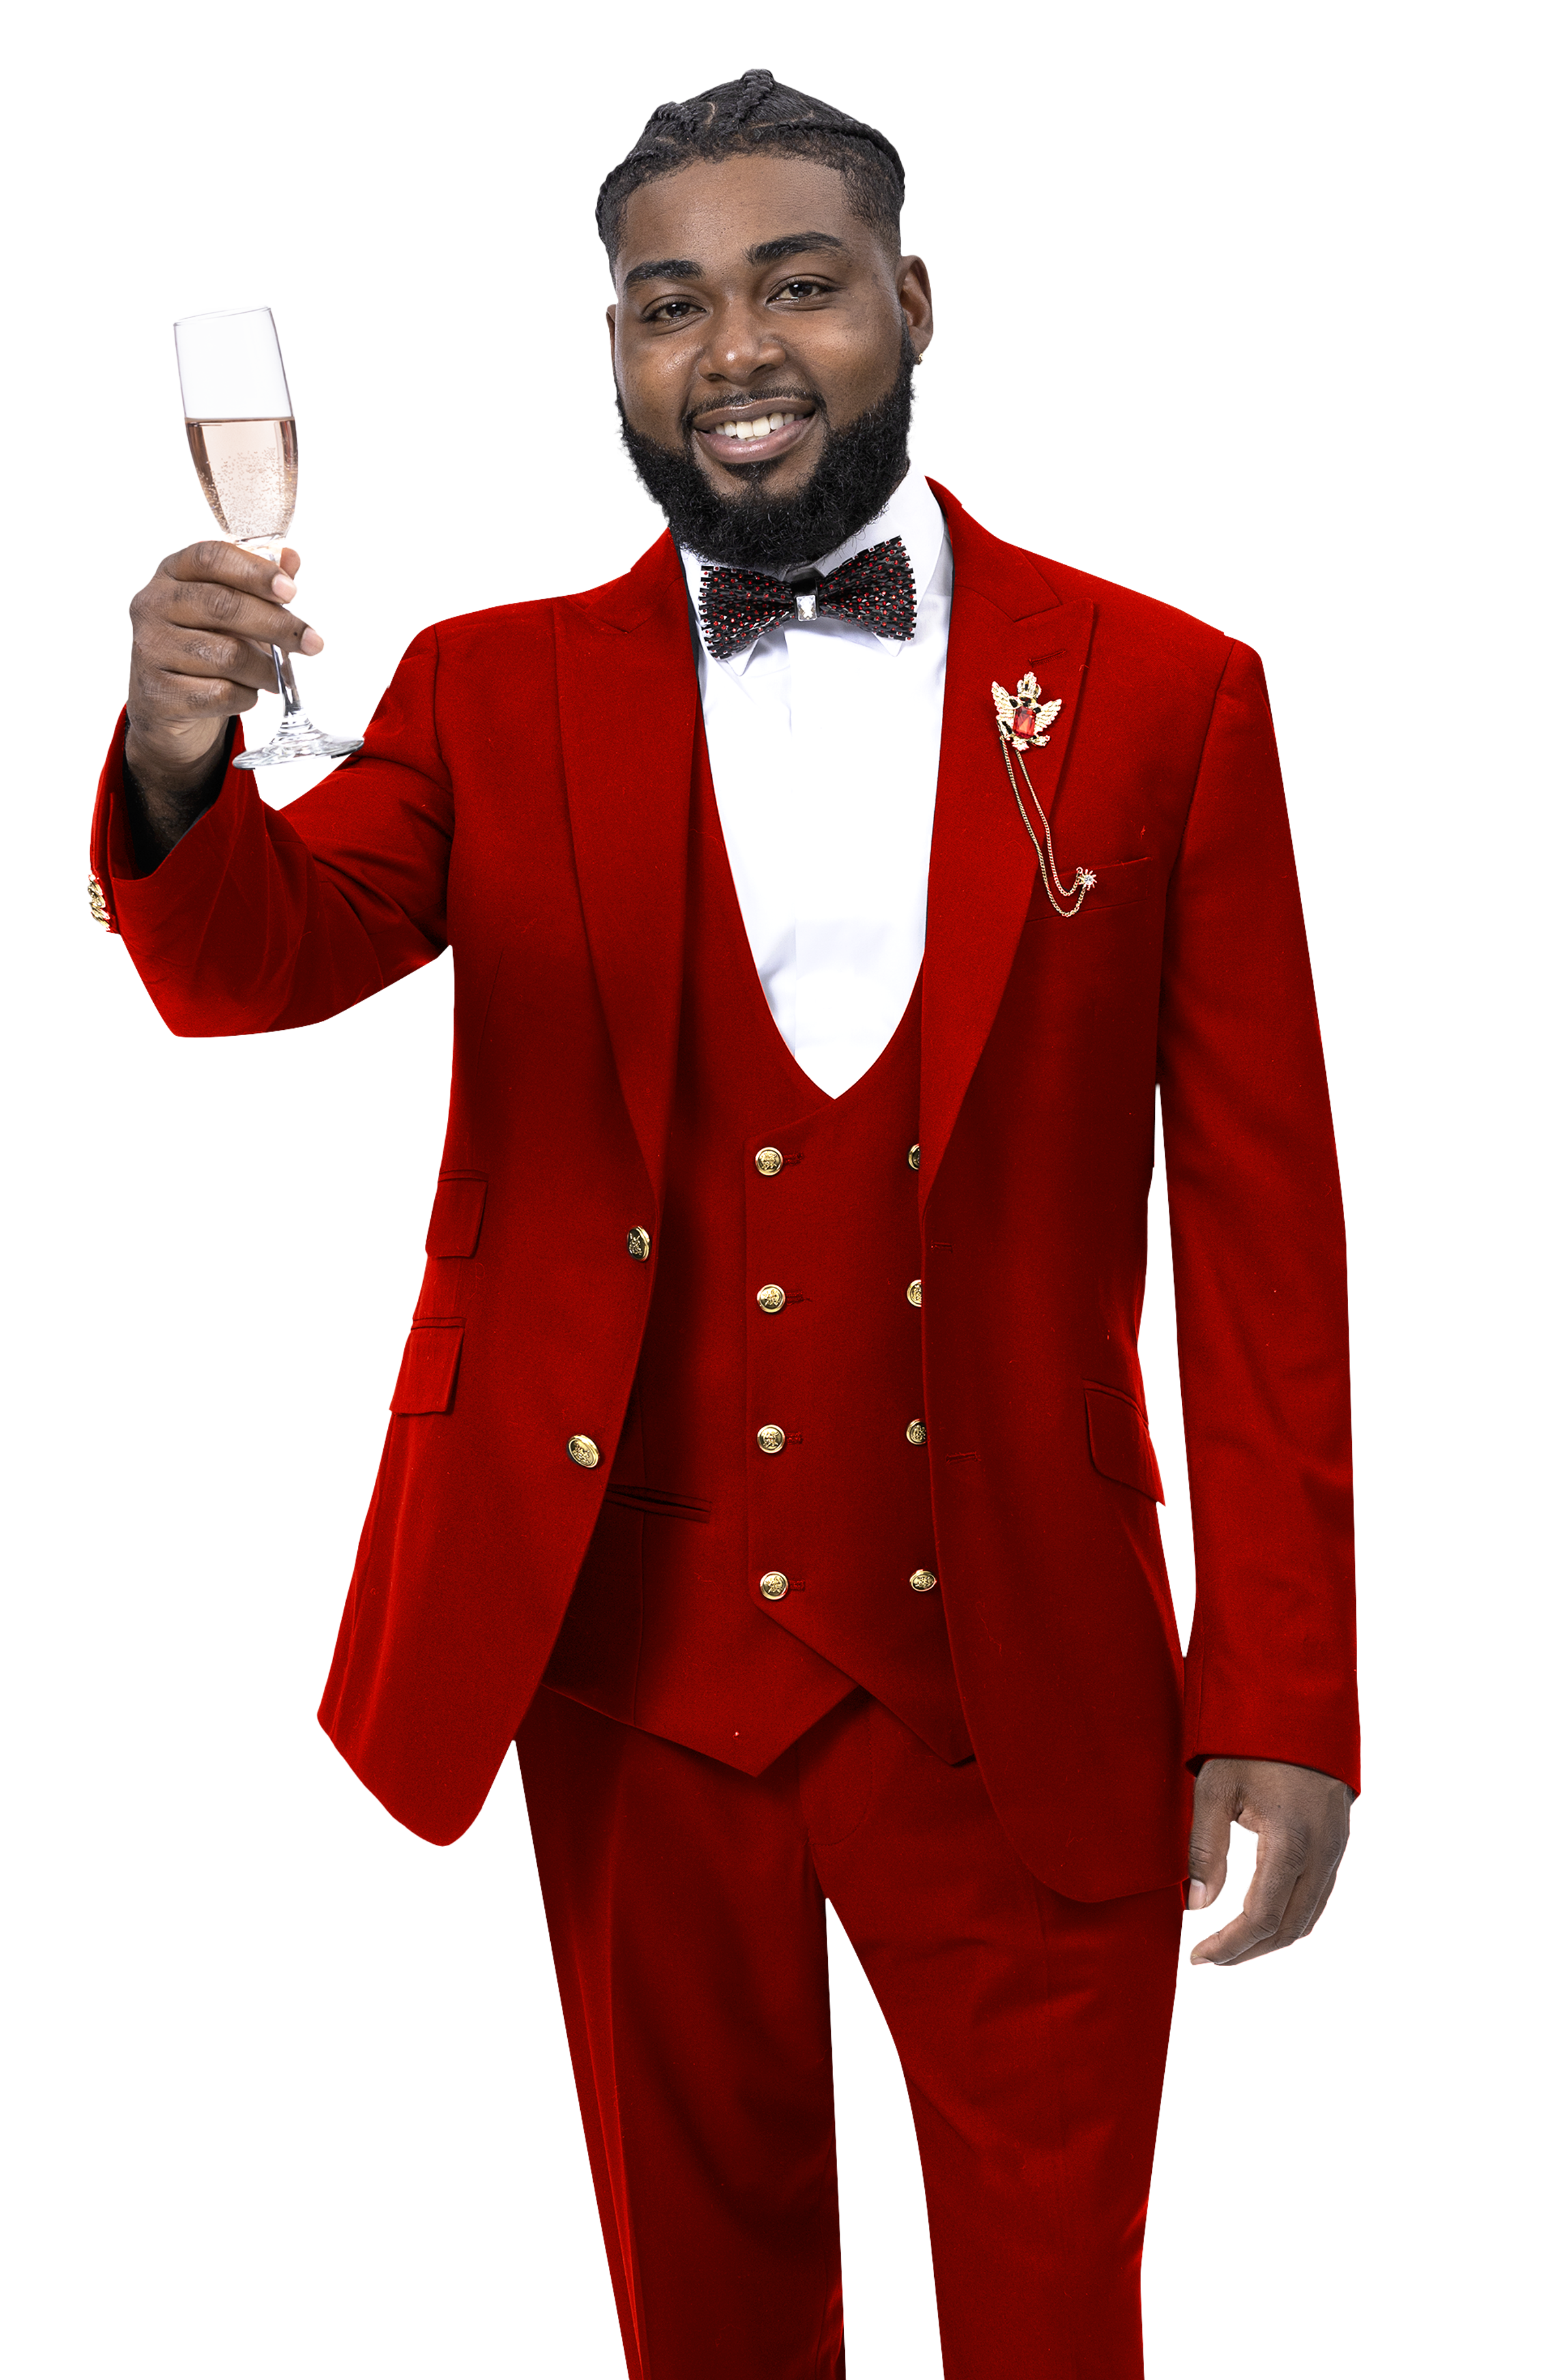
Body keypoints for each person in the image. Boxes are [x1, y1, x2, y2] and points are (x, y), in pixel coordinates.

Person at [99, 75, 1357, 2380]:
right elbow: (275, 963)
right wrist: (177, 774)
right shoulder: (488, 694)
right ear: (620, 356)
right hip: (629, 1674)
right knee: (693, 2314)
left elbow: (1262, 1245)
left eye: (791, 285)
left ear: (912, 302)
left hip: (1022, 1687)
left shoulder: (1156, 700)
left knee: (1042, 2313)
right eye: (665, 306)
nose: (731, 350)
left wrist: (1284, 1700)